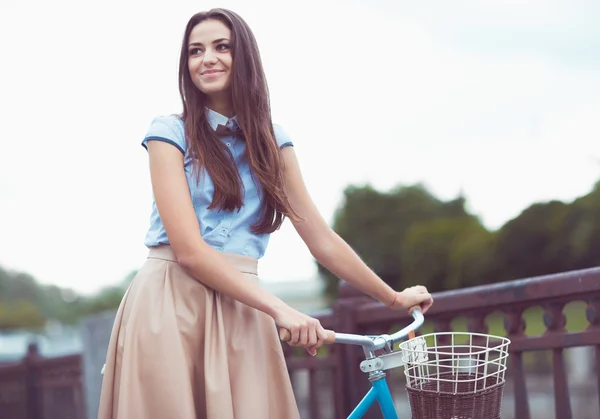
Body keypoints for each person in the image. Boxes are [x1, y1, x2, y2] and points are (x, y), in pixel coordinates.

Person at [98, 8, 433, 419]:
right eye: (195, 51)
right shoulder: (169, 132)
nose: (207, 59)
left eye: (222, 47)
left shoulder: (274, 142)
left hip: (244, 307)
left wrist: (393, 297)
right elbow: (188, 250)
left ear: (245, 57)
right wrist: (281, 310)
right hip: (171, 303)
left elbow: (321, 239)